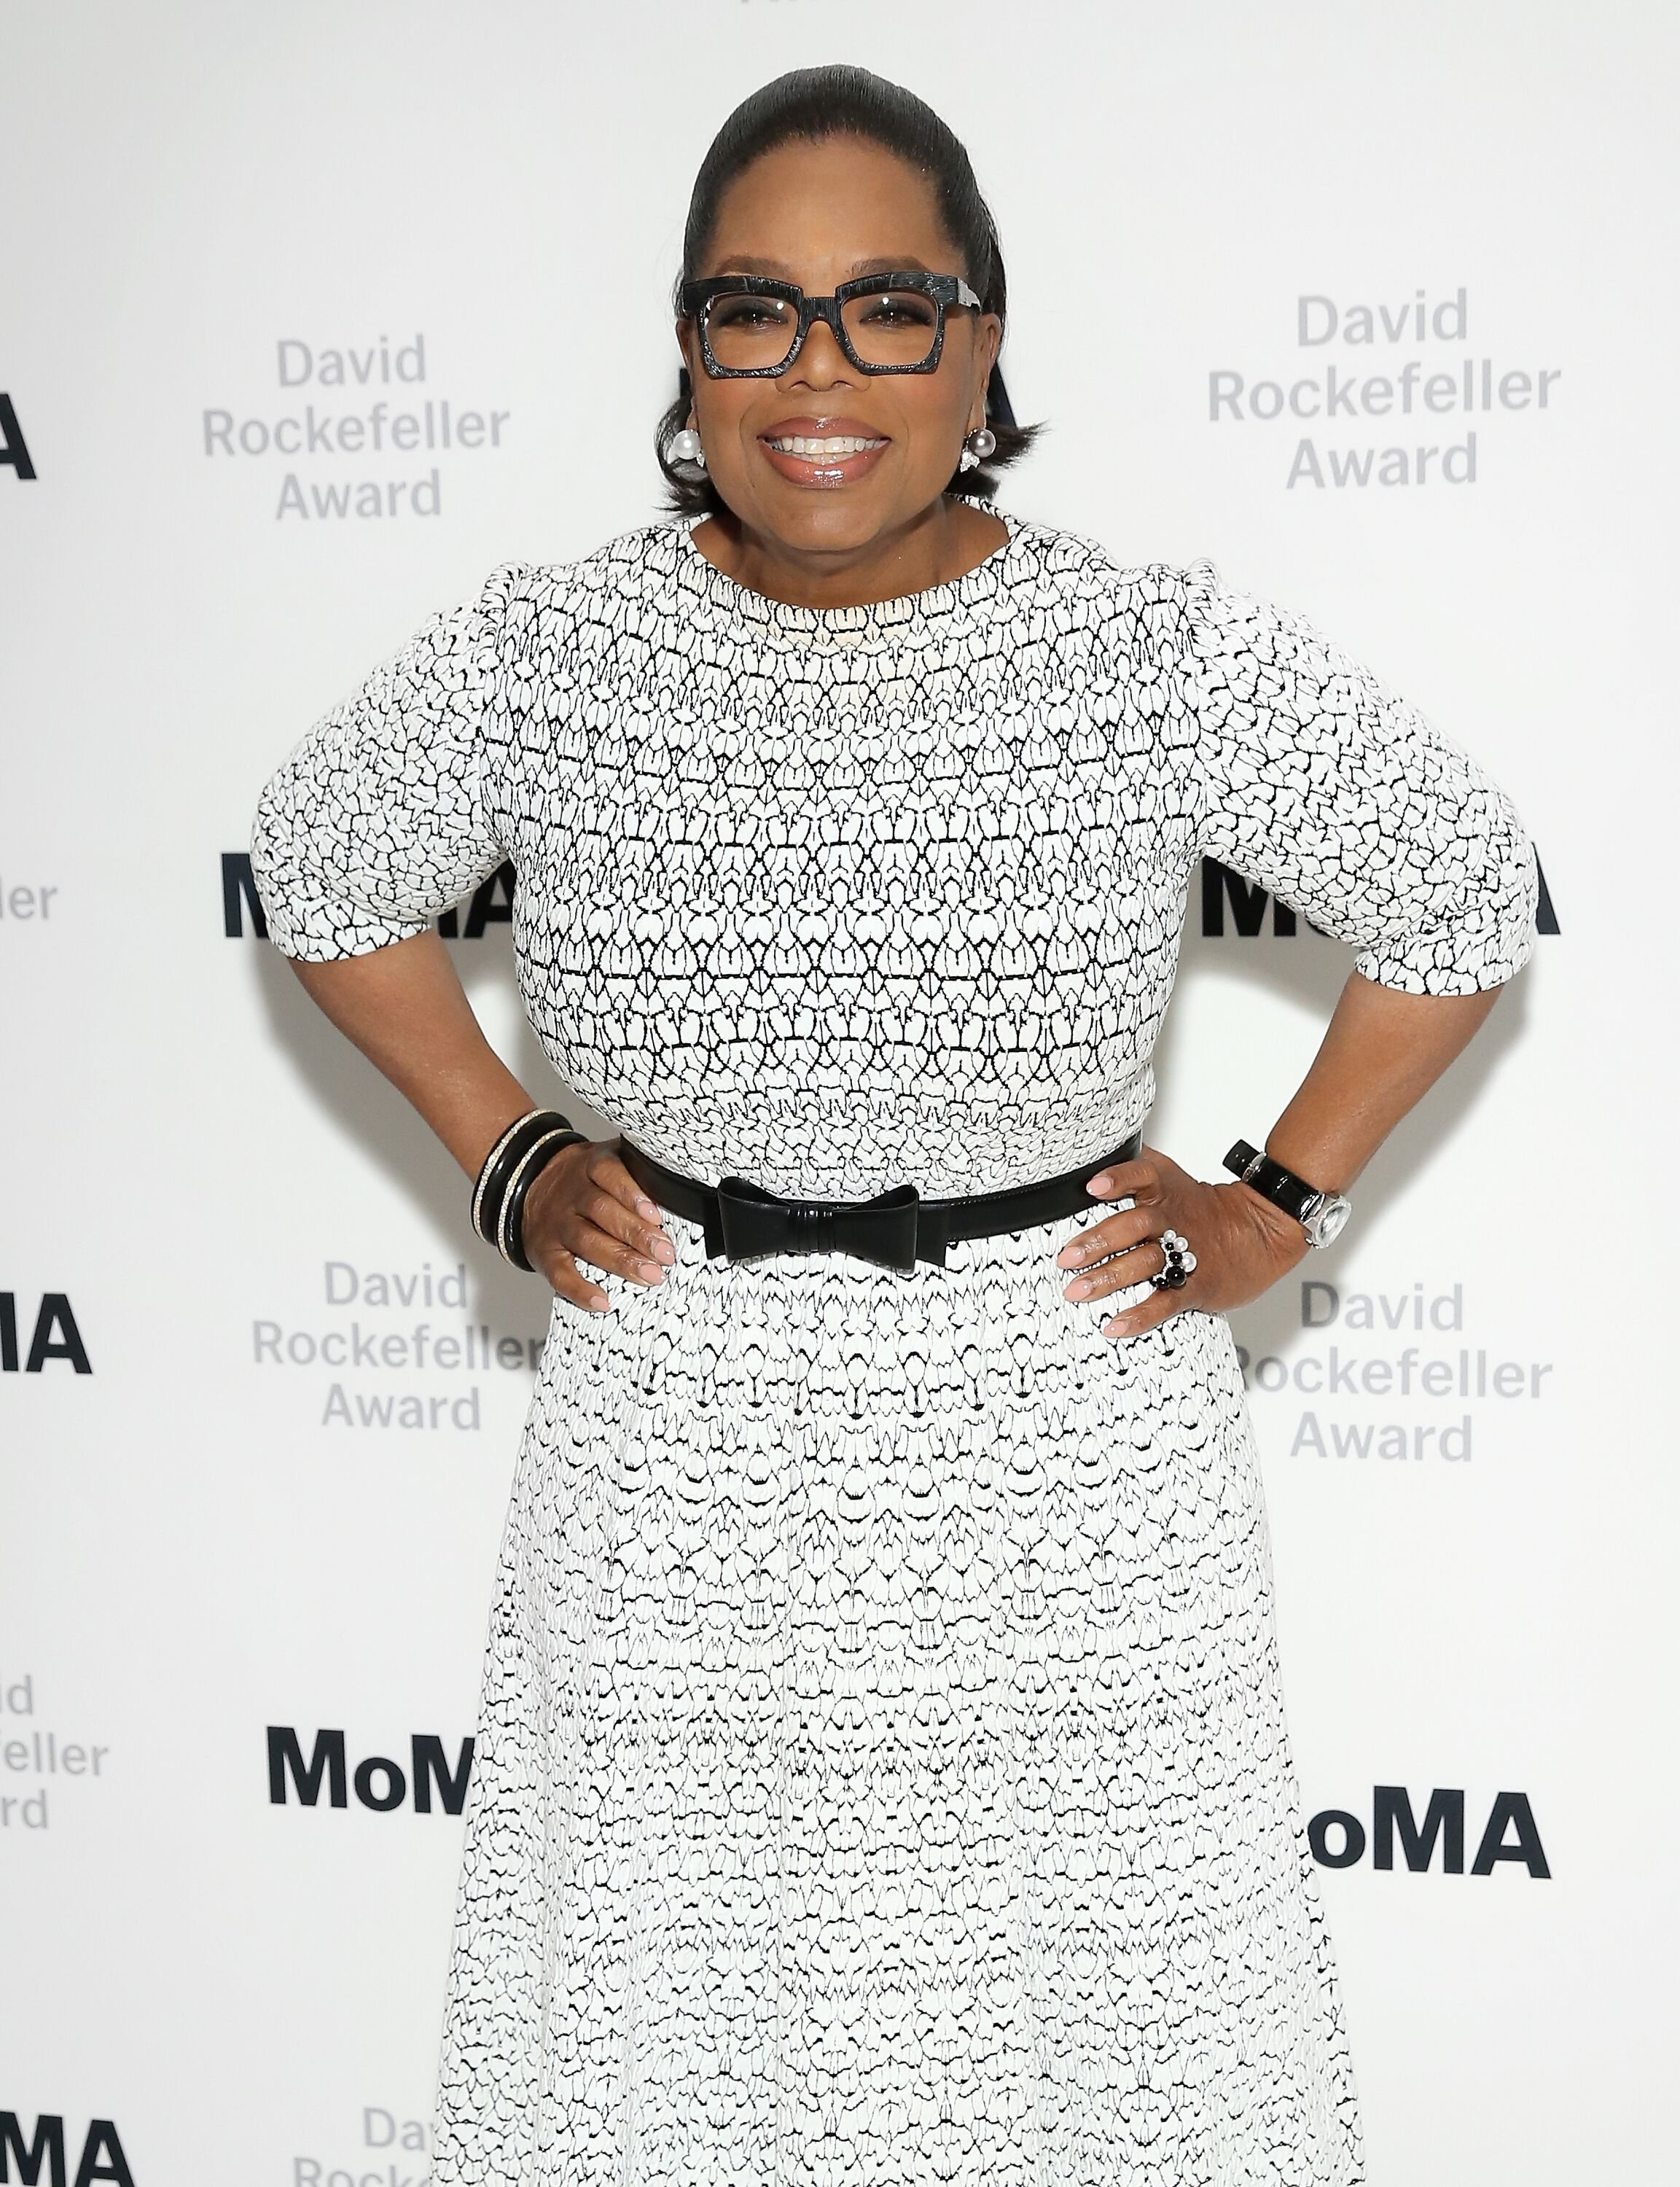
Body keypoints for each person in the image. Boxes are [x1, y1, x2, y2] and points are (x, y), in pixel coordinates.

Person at [250, 61, 1536, 2187]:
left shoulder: (1142, 646)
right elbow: (317, 863)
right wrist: (500, 1146)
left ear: (983, 341)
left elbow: (1460, 889)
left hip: (1066, 1452)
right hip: (676, 1462)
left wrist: (1279, 1201)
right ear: (685, 347)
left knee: (1110, 2063)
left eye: (887, 306)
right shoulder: (554, 652)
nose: (816, 369)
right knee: (659, 2055)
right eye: (754, 308)